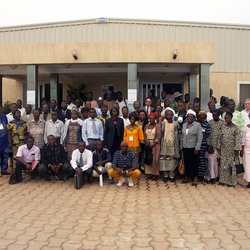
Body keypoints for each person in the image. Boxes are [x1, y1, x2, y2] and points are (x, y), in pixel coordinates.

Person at [217, 112, 241, 187]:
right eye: (225, 118)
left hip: (232, 149)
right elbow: (219, 137)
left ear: (231, 118)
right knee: (224, 165)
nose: (226, 120)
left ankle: (231, 182)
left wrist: (236, 149)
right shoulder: (223, 127)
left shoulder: (235, 128)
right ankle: (223, 180)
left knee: (232, 166)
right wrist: (218, 147)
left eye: (228, 118)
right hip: (224, 149)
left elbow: (237, 139)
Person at [180, 109, 203, 186]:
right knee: (186, 162)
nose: (189, 118)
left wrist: (197, 148)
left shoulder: (197, 125)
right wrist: (181, 147)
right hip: (185, 147)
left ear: (194, 118)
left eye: (191, 117)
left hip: (193, 147)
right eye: (188, 117)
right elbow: (182, 137)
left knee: (194, 163)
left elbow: (200, 137)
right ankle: (186, 177)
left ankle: (195, 178)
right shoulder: (184, 125)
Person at [159, 108, 180, 182]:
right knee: (164, 160)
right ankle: (165, 175)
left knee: (172, 161)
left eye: (170, 114)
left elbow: (178, 134)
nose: (169, 116)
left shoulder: (176, 123)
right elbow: (161, 133)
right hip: (164, 144)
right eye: (167, 114)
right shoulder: (163, 124)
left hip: (173, 144)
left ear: (173, 115)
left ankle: (172, 175)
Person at [144, 112, 161, 180]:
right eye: (150, 118)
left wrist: (153, 144)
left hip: (155, 145)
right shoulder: (146, 126)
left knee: (155, 159)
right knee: (149, 159)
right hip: (148, 145)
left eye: (153, 118)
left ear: (155, 119)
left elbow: (159, 136)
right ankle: (150, 173)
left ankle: (155, 174)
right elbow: (144, 135)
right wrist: (146, 141)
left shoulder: (158, 126)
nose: (151, 120)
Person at [197, 110, 211, 181]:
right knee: (197, 159)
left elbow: (208, 134)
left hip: (203, 144)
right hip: (196, 144)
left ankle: (202, 175)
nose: (202, 119)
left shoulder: (207, 124)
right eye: (201, 118)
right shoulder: (196, 123)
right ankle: (197, 175)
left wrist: (202, 138)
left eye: (203, 118)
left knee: (202, 159)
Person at [241, 112, 250, 188]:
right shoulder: (246, 128)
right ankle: (249, 181)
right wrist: (242, 150)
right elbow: (243, 140)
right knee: (247, 165)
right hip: (247, 150)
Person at [0, 105, 10, 175]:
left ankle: (4, 170)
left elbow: (7, 127)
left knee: (5, 156)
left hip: (4, 140)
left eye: (0, 109)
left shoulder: (4, 117)